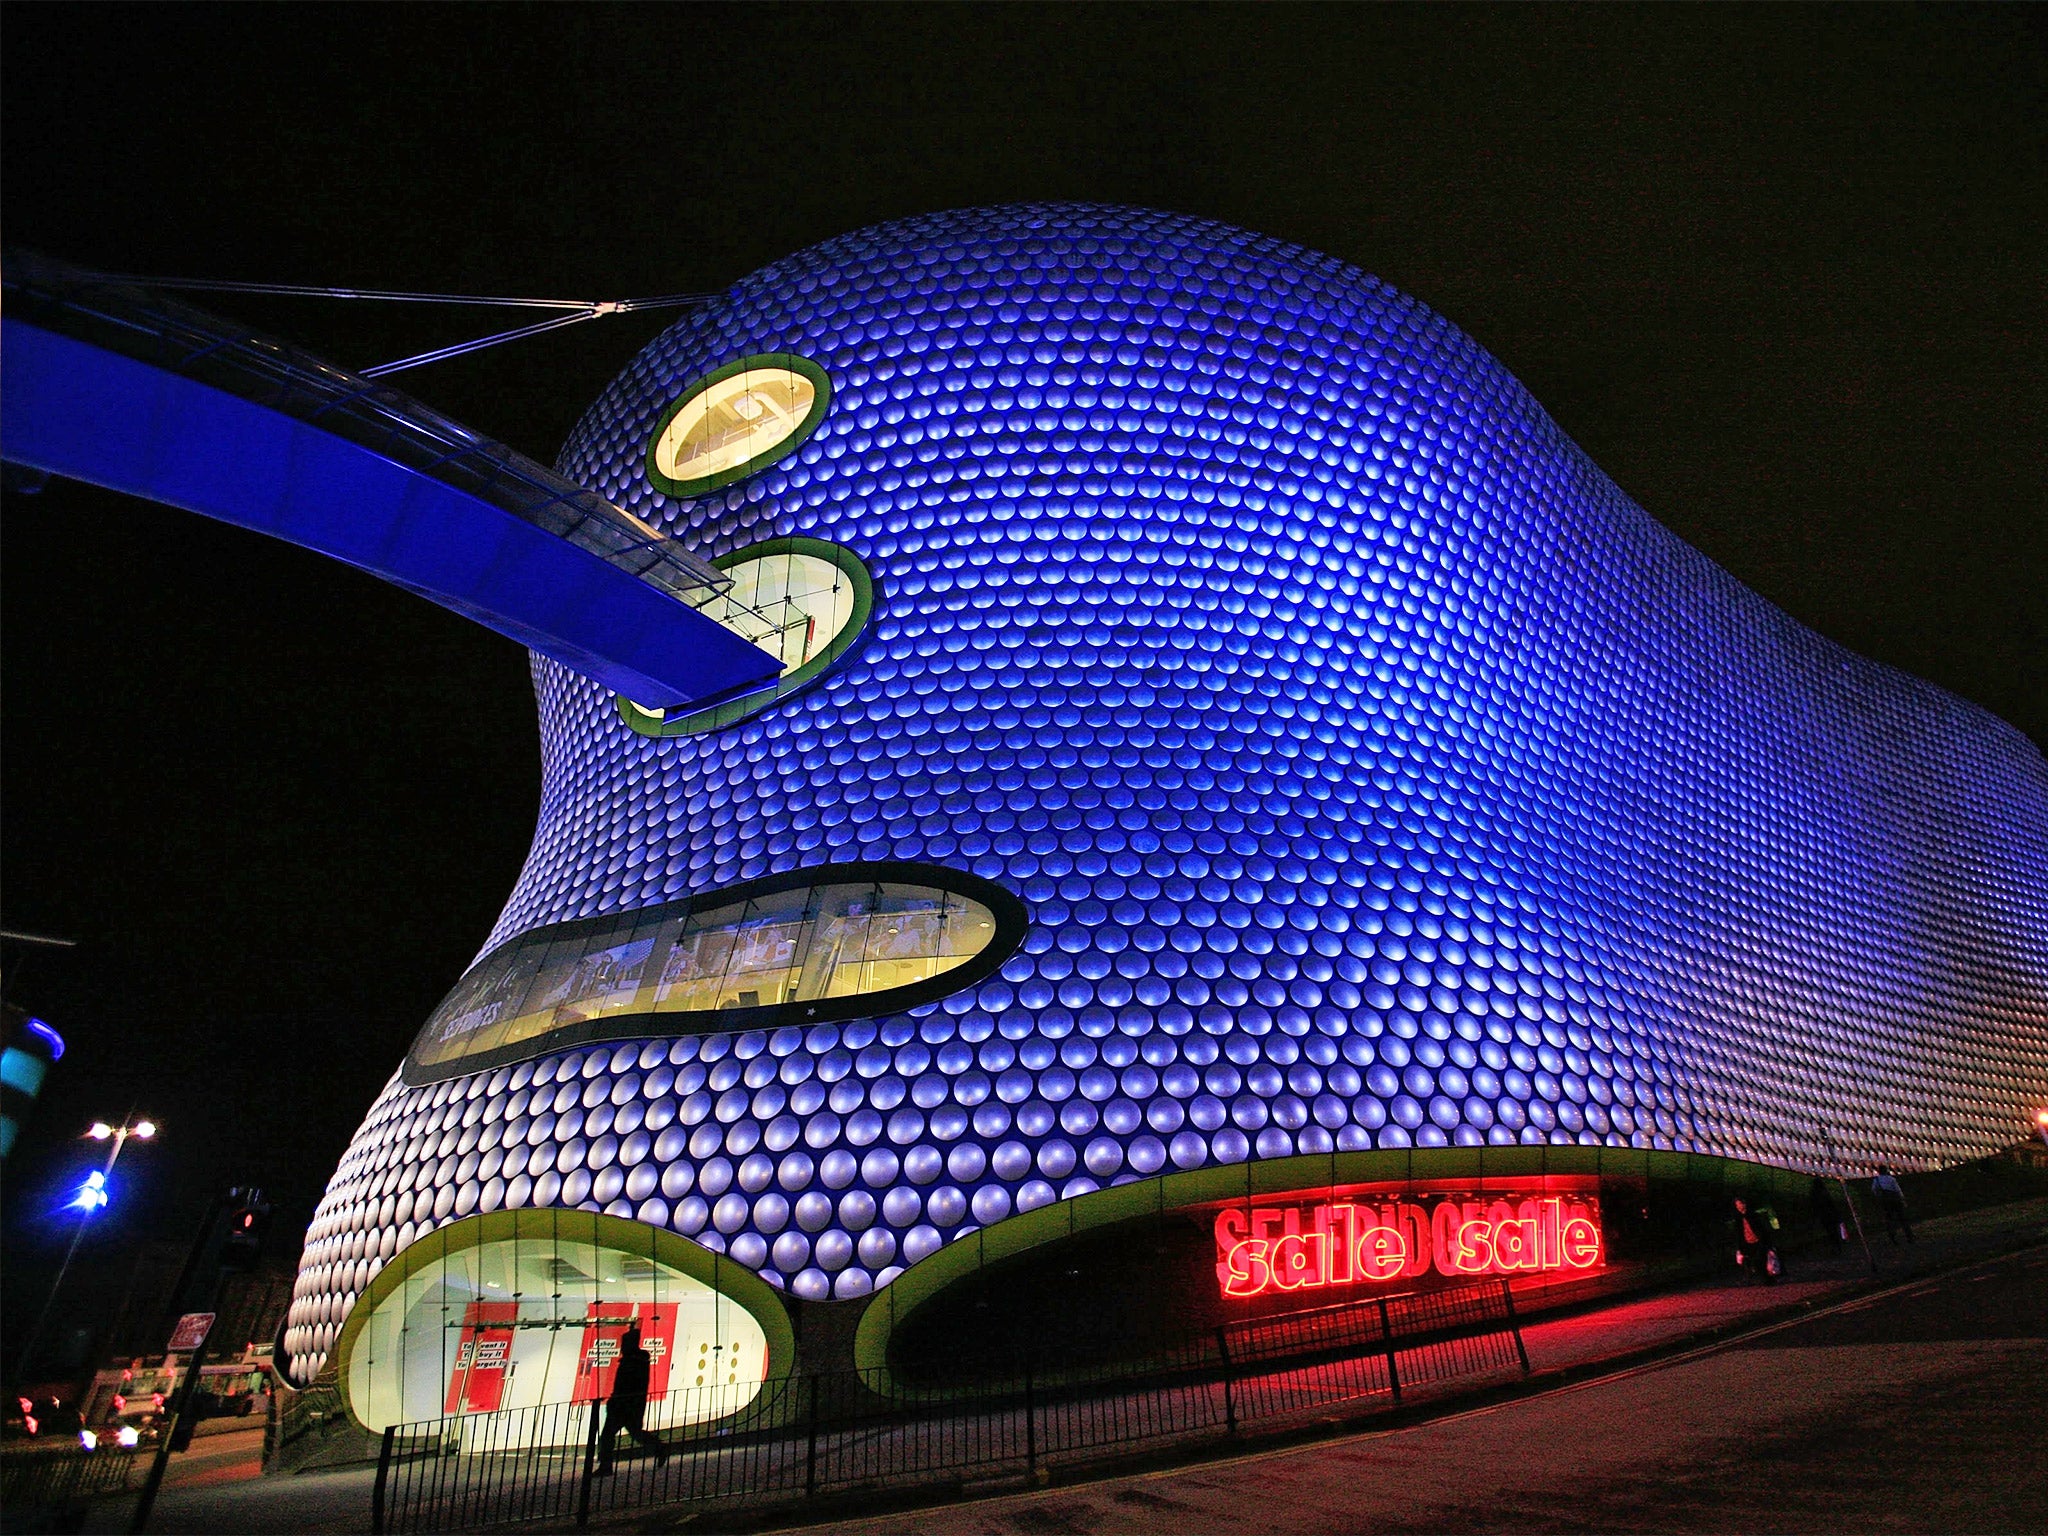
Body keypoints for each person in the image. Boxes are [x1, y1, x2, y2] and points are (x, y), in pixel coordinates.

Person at [593, 1323, 668, 1474]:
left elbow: (624, 1385)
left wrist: (614, 1401)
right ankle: (659, 1447)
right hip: (631, 1405)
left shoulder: (631, 1362)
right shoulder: (639, 1361)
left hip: (623, 1405)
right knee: (635, 1433)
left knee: (608, 1435)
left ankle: (606, 1466)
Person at [1871, 1166, 1913, 1244]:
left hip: (1886, 1202)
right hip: (1895, 1200)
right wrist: (1902, 1199)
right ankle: (1909, 1236)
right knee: (1902, 1218)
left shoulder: (1876, 1180)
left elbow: (1874, 1190)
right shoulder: (1891, 1179)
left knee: (1889, 1219)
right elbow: (1898, 1190)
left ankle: (1893, 1237)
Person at [1808, 1175, 1844, 1255]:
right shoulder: (1824, 1193)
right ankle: (1837, 1247)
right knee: (1833, 1232)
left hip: (1825, 1215)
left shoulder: (1815, 1194)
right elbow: (1831, 1204)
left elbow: (1814, 1205)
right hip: (1829, 1215)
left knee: (1831, 1232)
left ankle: (1835, 1247)